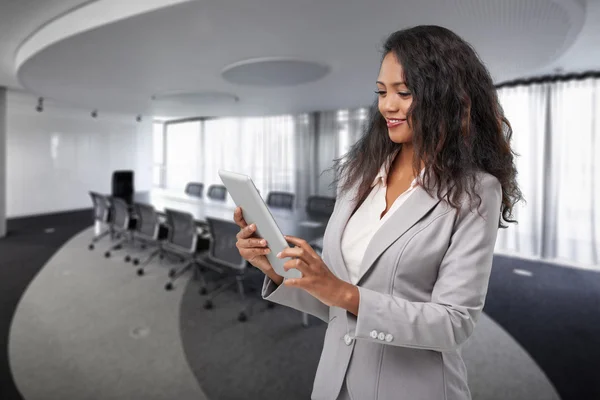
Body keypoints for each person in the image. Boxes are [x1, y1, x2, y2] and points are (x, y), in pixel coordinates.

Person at [233, 25, 522, 400]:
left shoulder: (475, 191)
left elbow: (454, 323)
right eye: (382, 92)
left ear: (447, 97)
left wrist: (346, 294)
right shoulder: (361, 174)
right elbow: (336, 303)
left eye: (404, 93)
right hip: (334, 384)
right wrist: (274, 266)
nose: (388, 105)